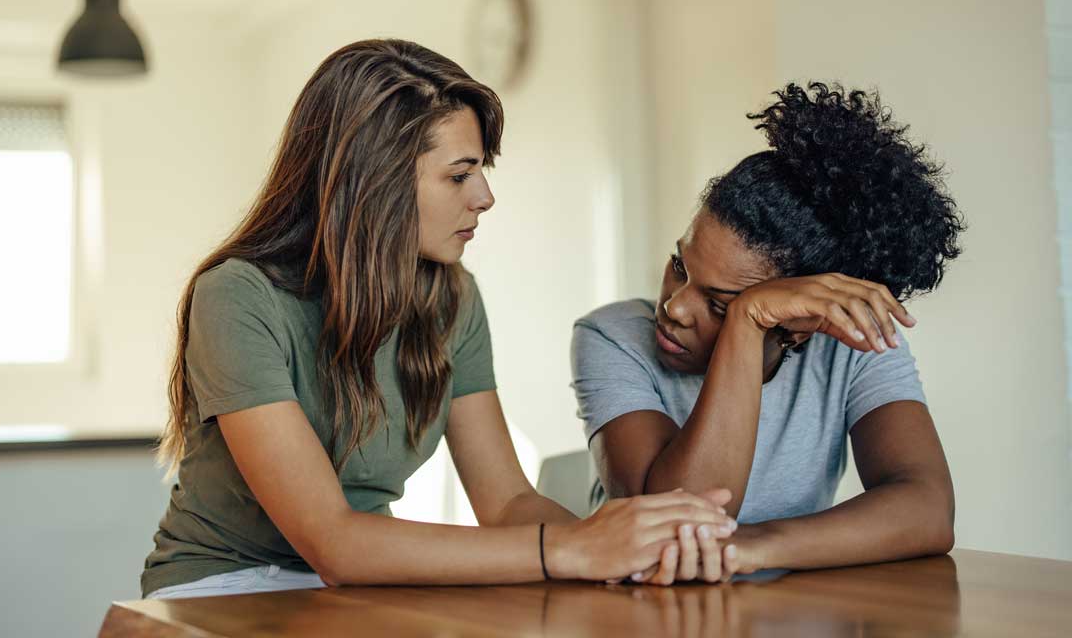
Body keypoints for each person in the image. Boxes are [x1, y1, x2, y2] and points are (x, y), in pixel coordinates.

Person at [141, 38, 733, 599]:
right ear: (375, 181)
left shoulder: (452, 299)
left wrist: (627, 543)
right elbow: (334, 541)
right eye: (458, 175)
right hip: (223, 588)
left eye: (480, 172)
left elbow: (506, 504)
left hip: (358, 590)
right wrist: (573, 549)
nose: (483, 196)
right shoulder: (238, 296)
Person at [572, 82, 965, 585]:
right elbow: (670, 524)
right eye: (679, 265)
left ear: (800, 325)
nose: (674, 306)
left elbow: (927, 509)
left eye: (718, 303)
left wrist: (747, 547)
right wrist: (745, 319)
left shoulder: (850, 345)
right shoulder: (612, 337)